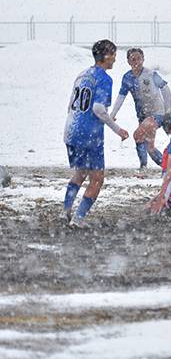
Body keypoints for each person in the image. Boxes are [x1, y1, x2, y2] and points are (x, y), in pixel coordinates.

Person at [62, 39, 130, 228]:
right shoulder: (104, 78)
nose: (115, 59)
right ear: (106, 56)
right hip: (89, 134)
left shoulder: (82, 74)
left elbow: (70, 105)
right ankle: (77, 220)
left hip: (71, 130)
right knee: (97, 179)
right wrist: (118, 130)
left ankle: (65, 212)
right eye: (114, 54)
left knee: (80, 172)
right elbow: (99, 109)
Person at [109, 47, 171, 172]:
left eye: (138, 58)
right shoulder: (127, 77)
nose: (136, 61)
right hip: (142, 115)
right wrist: (113, 114)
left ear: (143, 59)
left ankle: (144, 168)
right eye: (133, 59)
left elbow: (166, 89)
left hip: (157, 113)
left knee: (137, 135)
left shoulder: (150, 74)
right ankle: (167, 168)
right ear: (128, 61)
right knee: (149, 146)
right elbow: (121, 97)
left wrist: (167, 112)